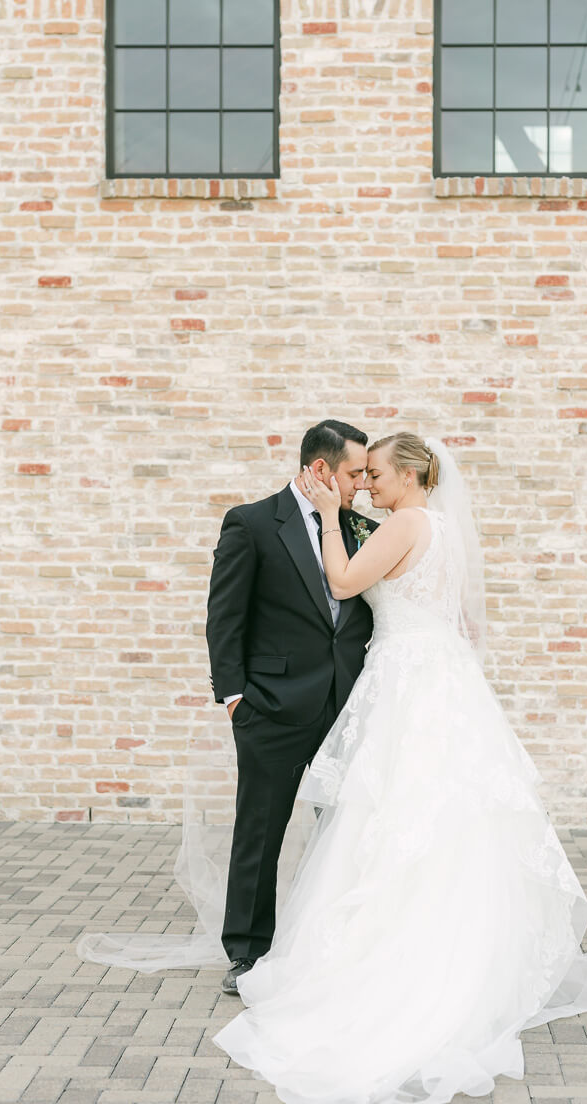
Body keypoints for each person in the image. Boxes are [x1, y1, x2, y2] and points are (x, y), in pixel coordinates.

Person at [212, 433, 587, 1103]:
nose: (367, 486)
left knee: (390, 818)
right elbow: (461, 621)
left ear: (408, 473)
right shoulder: (443, 529)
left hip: (405, 686)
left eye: (375, 473)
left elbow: (345, 582)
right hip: (442, 684)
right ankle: (456, 960)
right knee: (438, 821)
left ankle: (391, 966)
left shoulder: (402, 522)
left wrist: (325, 520)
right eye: (361, 474)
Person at [205, 419, 379, 994]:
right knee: (261, 830)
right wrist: (235, 700)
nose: (363, 484)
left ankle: (335, 947)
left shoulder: (359, 527)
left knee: (346, 833)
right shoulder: (253, 523)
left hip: (345, 704)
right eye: (355, 473)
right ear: (321, 469)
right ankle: (248, 953)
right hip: (271, 710)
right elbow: (224, 619)